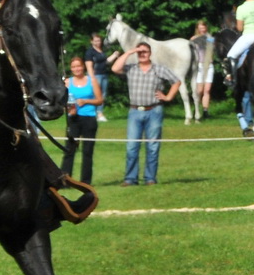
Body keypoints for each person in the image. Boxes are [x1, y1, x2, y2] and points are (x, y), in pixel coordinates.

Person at [112, 42, 181, 186]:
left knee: (153, 147)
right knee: (132, 146)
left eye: (145, 52)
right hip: (135, 111)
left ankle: (150, 178)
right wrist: (129, 52)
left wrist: (168, 97)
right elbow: (115, 68)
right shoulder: (131, 68)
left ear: (150, 53)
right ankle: (130, 178)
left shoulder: (159, 69)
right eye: (140, 52)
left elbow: (176, 81)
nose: (142, 54)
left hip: (154, 111)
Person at [61, 55, 102, 185]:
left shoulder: (92, 81)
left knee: (87, 151)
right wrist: (68, 109)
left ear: (83, 67)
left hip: (89, 118)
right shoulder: (67, 82)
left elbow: (100, 100)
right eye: (74, 67)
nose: (76, 69)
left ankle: (85, 181)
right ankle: (66, 180)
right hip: (73, 119)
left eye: (78, 66)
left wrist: (86, 101)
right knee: (69, 150)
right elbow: (62, 102)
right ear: (71, 68)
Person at [82, 32, 111, 121]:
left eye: (99, 40)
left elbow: (106, 62)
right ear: (91, 41)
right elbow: (89, 65)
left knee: (103, 95)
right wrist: (92, 78)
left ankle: (100, 113)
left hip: (104, 74)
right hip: (96, 75)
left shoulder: (101, 51)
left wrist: (115, 55)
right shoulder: (90, 52)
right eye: (96, 41)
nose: (98, 42)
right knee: (95, 95)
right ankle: (93, 113)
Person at [189, 20, 216, 114]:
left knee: (207, 90)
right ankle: (196, 108)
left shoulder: (210, 38)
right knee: (199, 90)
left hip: (209, 65)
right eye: (200, 28)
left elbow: (212, 50)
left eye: (203, 28)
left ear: (206, 28)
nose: (202, 30)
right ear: (197, 29)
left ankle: (205, 110)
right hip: (199, 65)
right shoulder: (193, 39)